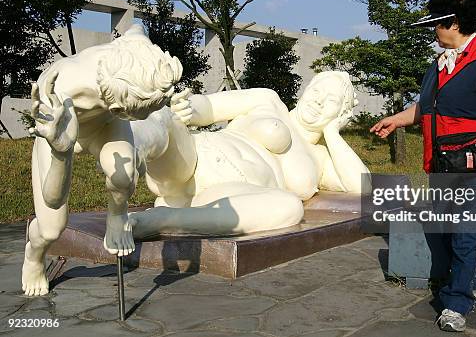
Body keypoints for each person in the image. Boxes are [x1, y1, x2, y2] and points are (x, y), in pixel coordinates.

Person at [371, 0, 476, 332]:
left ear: (454, 24)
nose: (433, 30)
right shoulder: (440, 63)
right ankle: (474, 280)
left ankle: (457, 302)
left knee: (466, 233)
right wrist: (397, 119)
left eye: (436, 24)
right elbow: (425, 106)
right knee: (451, 230)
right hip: (442, 165)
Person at [22, 25, 182, 296]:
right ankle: (33, 256)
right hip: (62, 131)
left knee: (124, 173)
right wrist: (62, 152)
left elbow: (136, 28)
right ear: (120, 109)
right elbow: (53, 197)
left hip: (105, 124)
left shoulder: (136, 49)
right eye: (137, 118)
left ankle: (117, 215)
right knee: (51, 227)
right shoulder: (59, 89)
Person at [128, 70, 370, 238]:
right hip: (195, 159)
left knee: (290, 207)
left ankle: (163, 220)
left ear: (341, 114)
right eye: (317, 91)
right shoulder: (269, 101)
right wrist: (189, 109)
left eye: (331, 101)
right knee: (164, 118)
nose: (318, 102)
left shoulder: (320, 158)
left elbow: (364, 185)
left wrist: (333, 132)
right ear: (307, 88)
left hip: (226, 197)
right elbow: (211, 107)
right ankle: (125, 151)